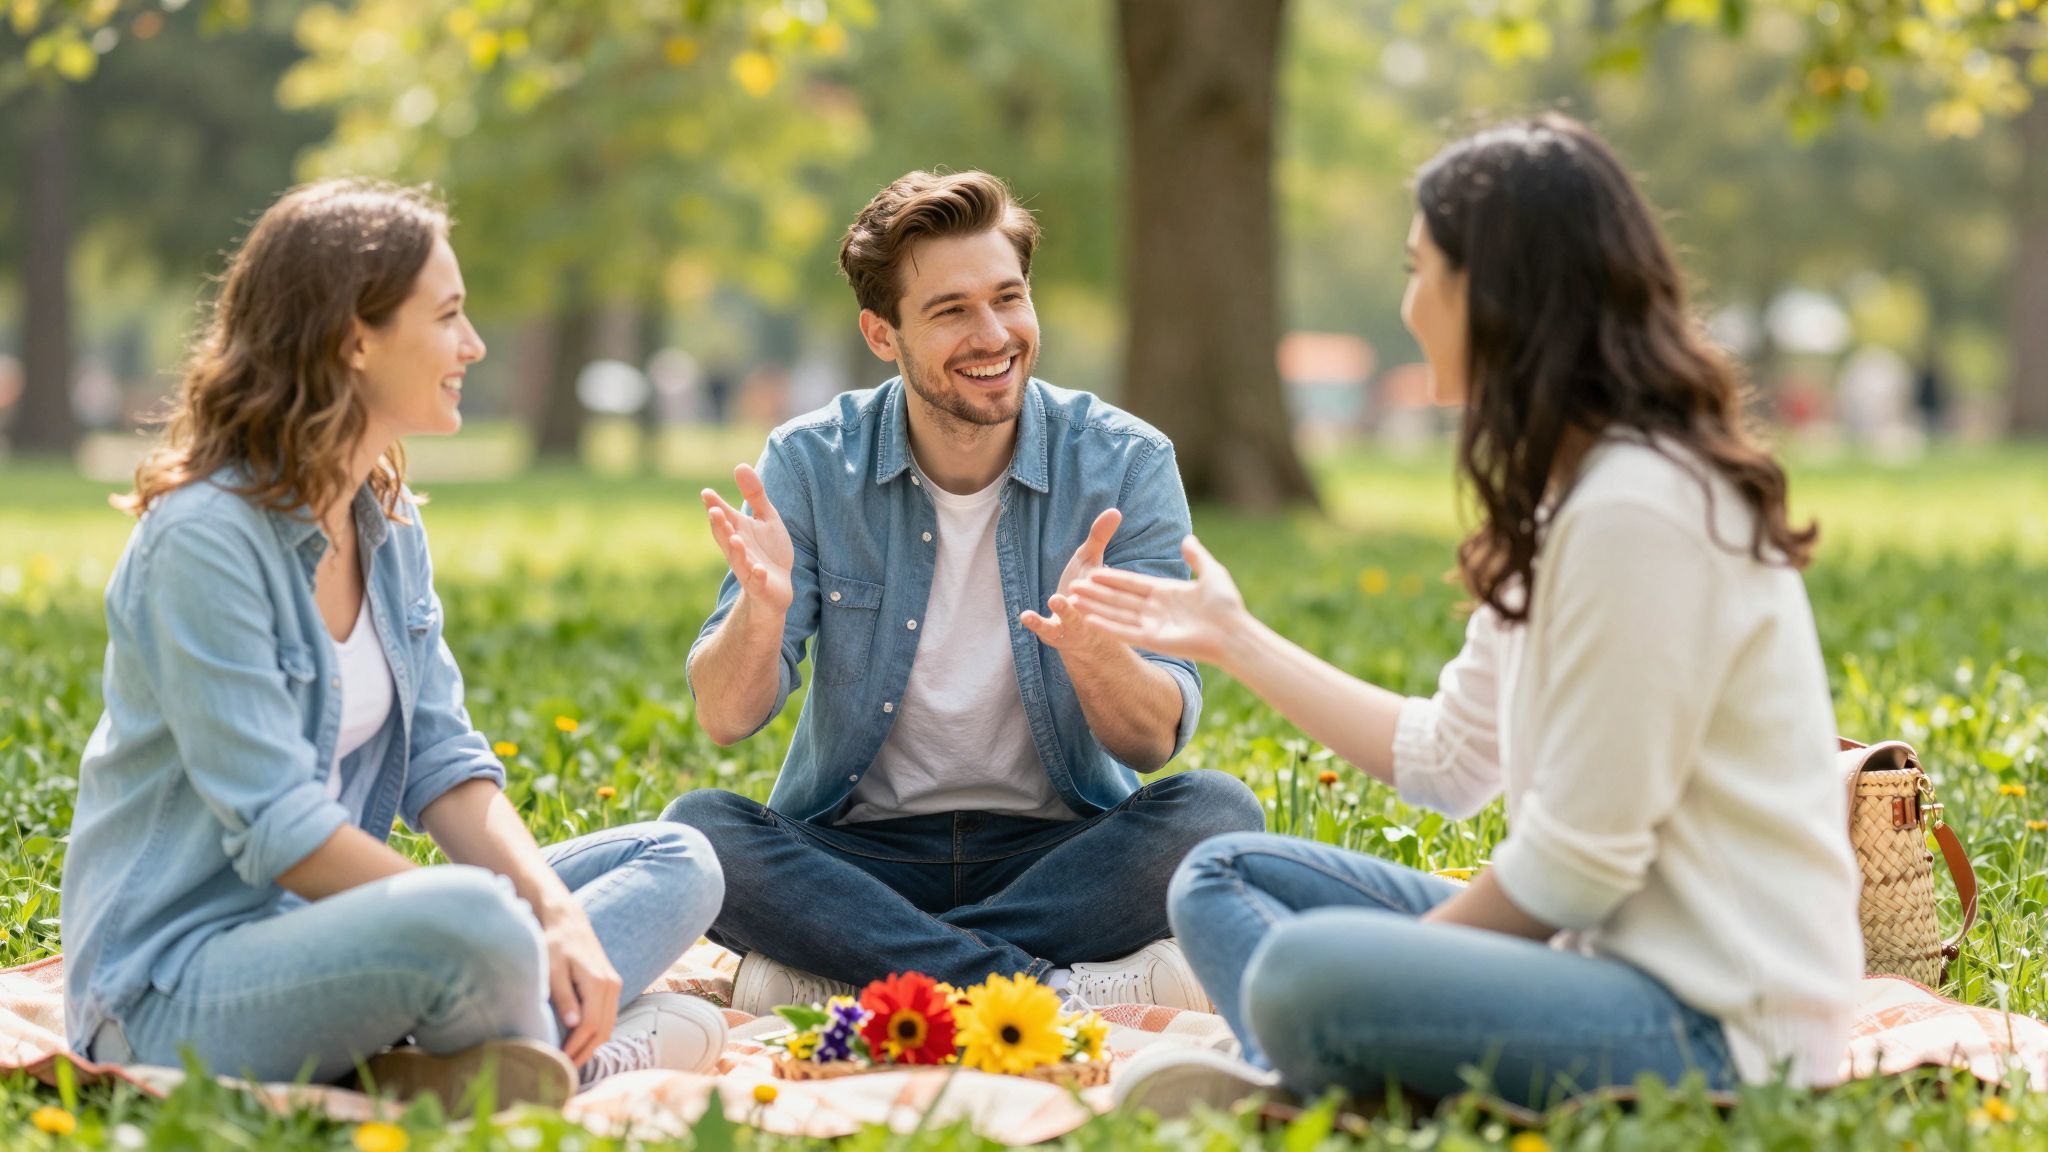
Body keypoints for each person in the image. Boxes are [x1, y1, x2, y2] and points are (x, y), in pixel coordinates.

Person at [1082, 117, 1863, 1114]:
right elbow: (1446, 760)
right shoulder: (1570, 499)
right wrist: (1234, 639)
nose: (1407, 305)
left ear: (1490, 293)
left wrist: (1385, 972)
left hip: (1717, 1029)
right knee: (1221, 878)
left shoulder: (1639, 509)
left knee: (1301, 973)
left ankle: (1318, 1061)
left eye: (1419, 270)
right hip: (1594, 963)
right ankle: (1338, 1065)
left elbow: (1574, 870)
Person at [60, 180, 727, 1109]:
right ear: (354, 338)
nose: (473, 344)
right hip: (173, 986)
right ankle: (567, 1066)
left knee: (679, 862)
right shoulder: (202, 541)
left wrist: (558, 915)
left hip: (345, 940)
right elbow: (279, 829)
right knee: (473, 916)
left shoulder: (382, 513)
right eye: (449, 316)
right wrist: (481, 920)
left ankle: (468, 1050)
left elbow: (445, 763)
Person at [662, 170, 1264, 1014]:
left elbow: (1152, 742)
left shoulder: (1124, 463)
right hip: (858, 854)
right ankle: (1040, 988)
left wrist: (1094, 654)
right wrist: (762, 619)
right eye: (951, 311)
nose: (994, 336)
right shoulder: (807, 463)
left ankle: (850, 971)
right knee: (697, 833)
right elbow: (726, 718)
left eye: (1008, 298)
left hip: (1061, 855)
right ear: (882, 334)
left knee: (1218, 814)